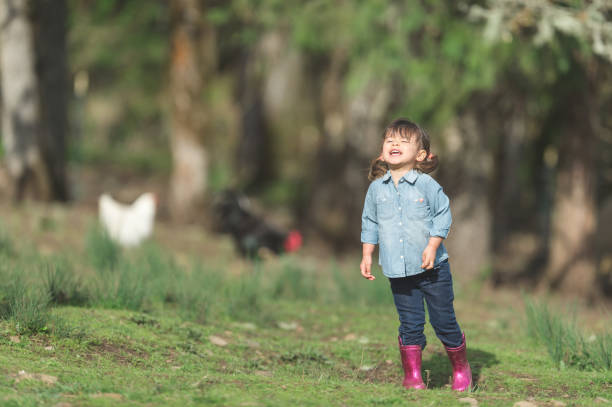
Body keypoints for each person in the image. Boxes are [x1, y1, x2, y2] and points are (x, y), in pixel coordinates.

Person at [359, 118, 472, 392]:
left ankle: (461, 368)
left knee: (443, 321)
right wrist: (367, 255)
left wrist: (433, 246)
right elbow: (369, 222)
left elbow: (443, 215)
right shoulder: (376, 189)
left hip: (434, 271)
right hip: (399, 272)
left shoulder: (426, 186)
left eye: (403, 141)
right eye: (389, 140)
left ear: (420, 155)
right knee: (410, 323)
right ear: (382, 151)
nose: (394, 144)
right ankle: (412, 375)